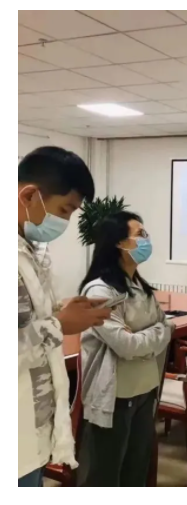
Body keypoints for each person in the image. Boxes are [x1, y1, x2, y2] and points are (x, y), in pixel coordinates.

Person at [18, 146, 112, 487]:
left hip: (33, 424)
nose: (66, 222)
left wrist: (59, 309)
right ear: (30, 195)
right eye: (64, 210)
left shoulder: (27, 249)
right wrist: (59, 325)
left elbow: (22, 317)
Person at [79, 211, 173, 486]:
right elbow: (126, 345)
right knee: (105, 476)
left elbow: (167, 327)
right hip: (116, 396)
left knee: (136, 472)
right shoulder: (99, 291)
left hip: (145, 389)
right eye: (140, 234)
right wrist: (154, 334)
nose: (146, 240)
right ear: (119, 243)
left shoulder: (141, 287)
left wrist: (147, 334)